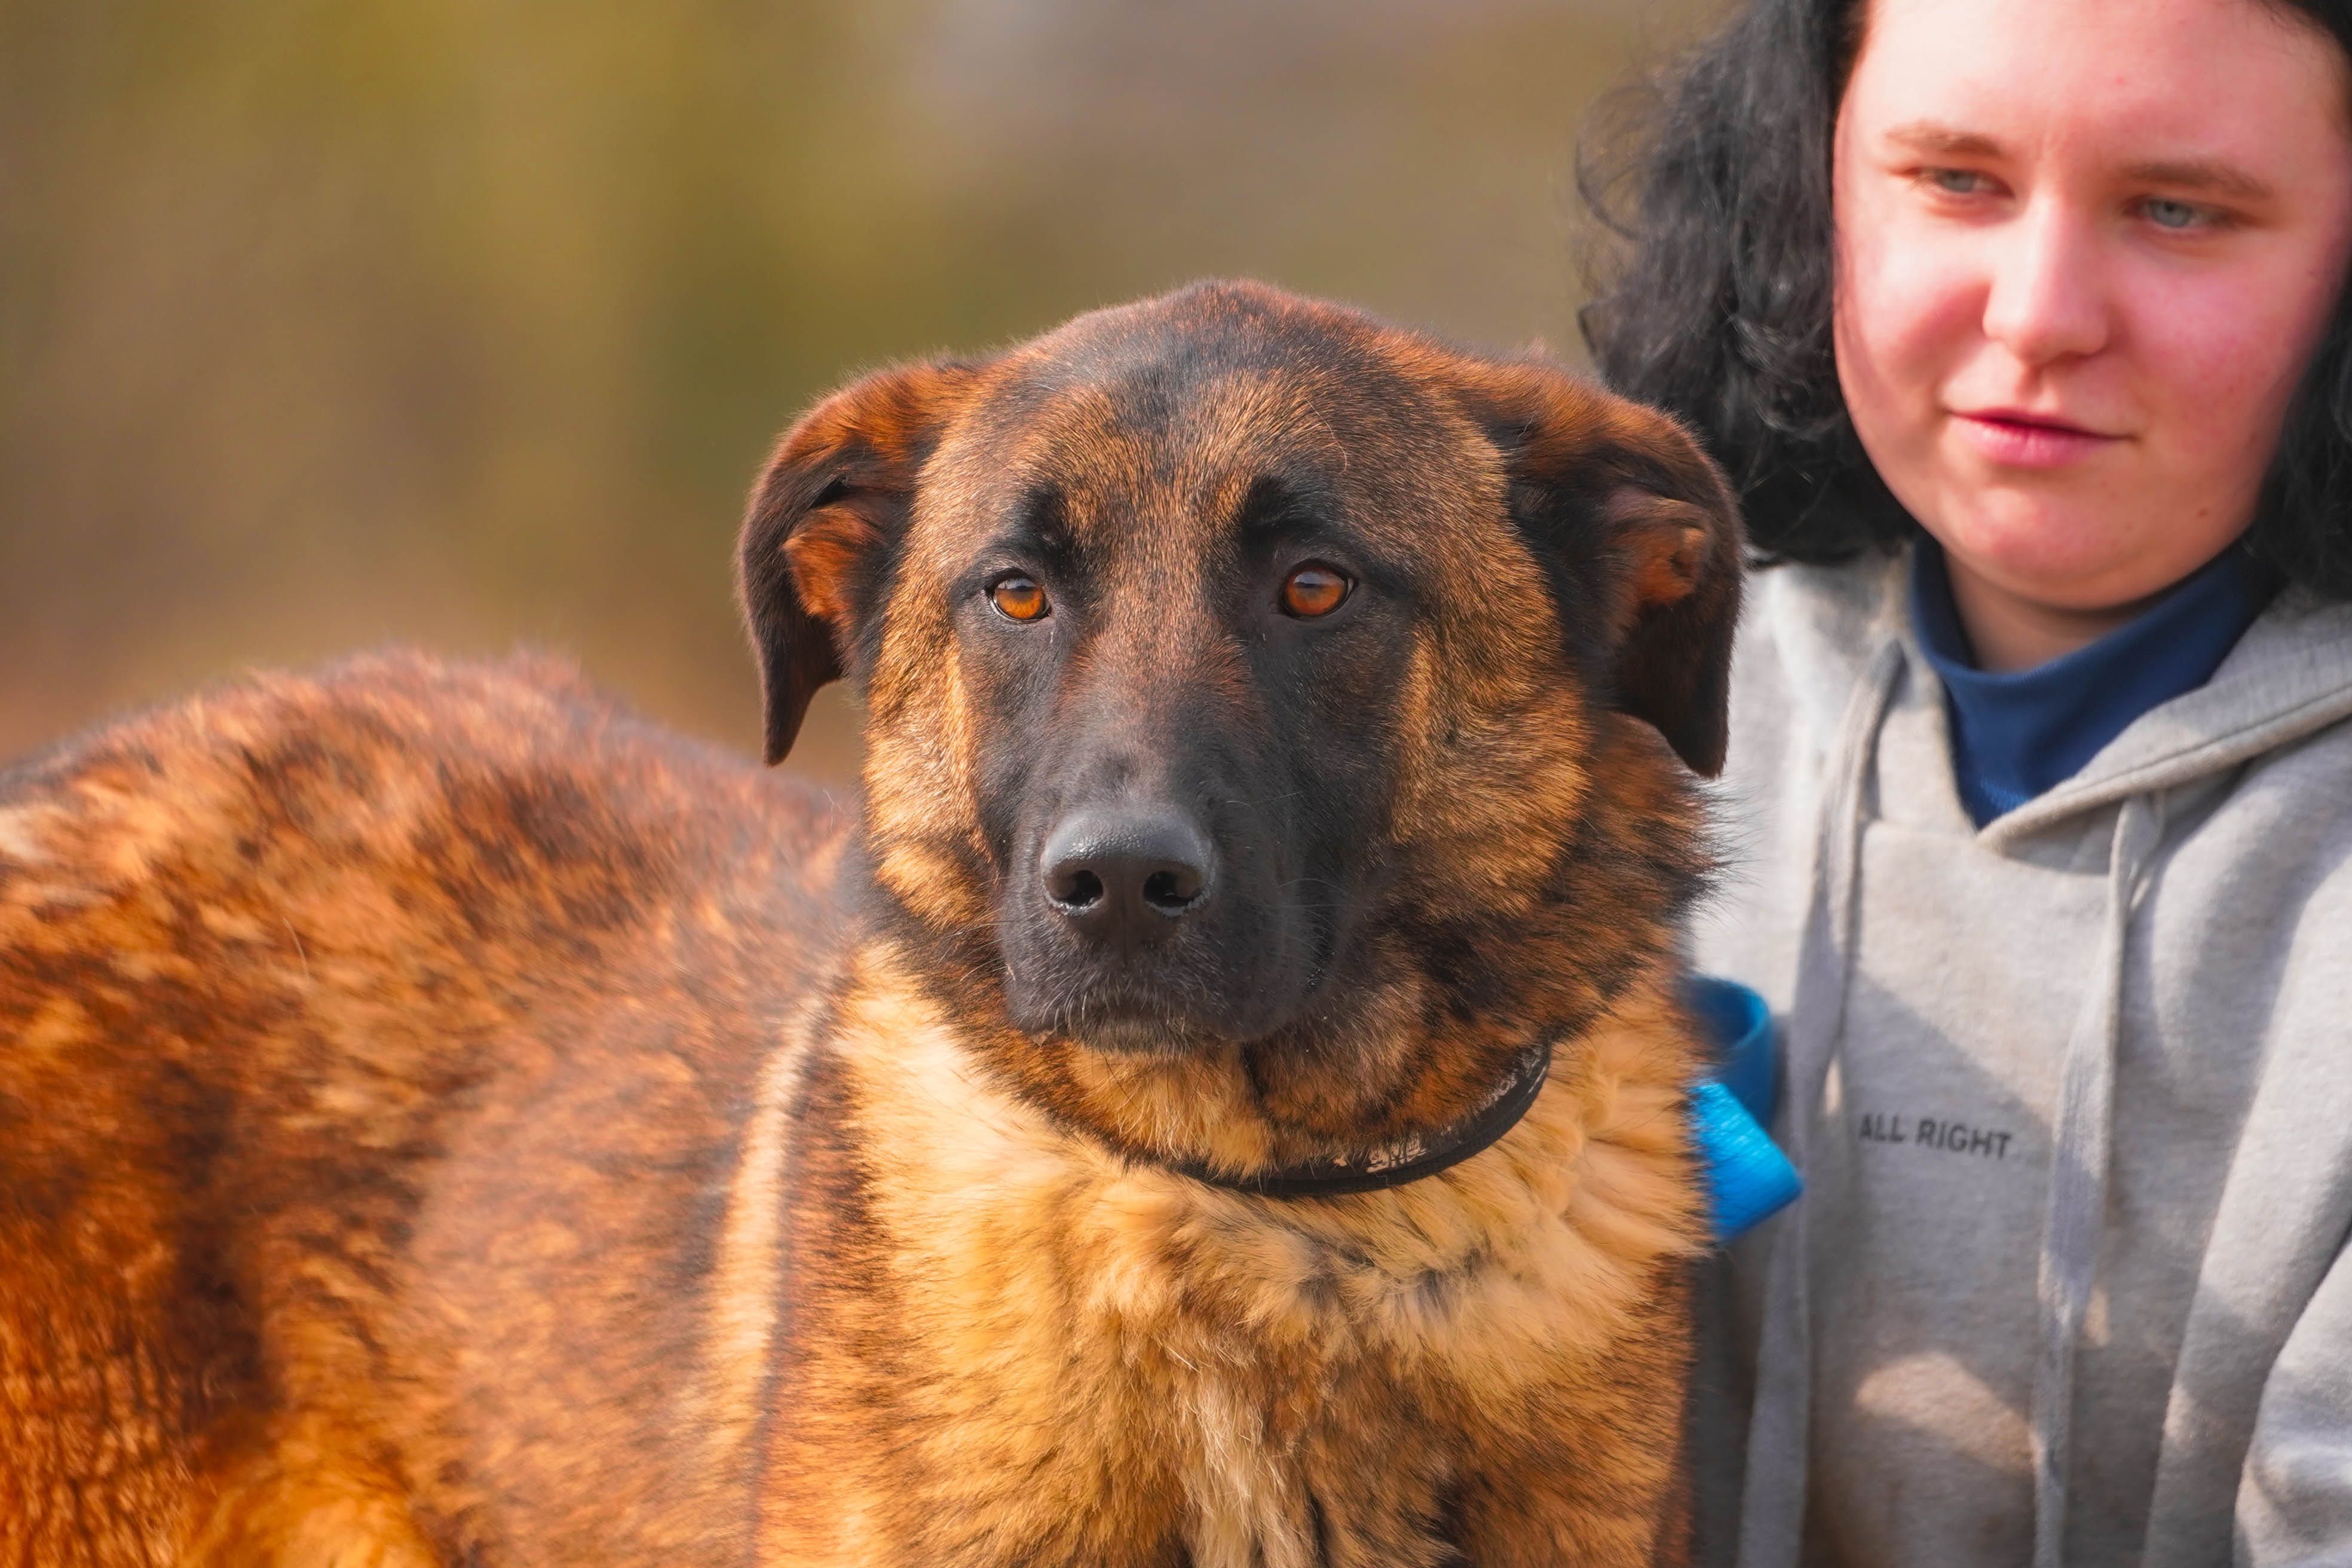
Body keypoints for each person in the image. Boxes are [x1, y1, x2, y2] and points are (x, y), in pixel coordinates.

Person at [1578, 0, 2352, 1563]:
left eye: (2178, 209)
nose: (2041, 312)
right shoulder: (1572, 718)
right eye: (1955, 181)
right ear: (1809, 191)